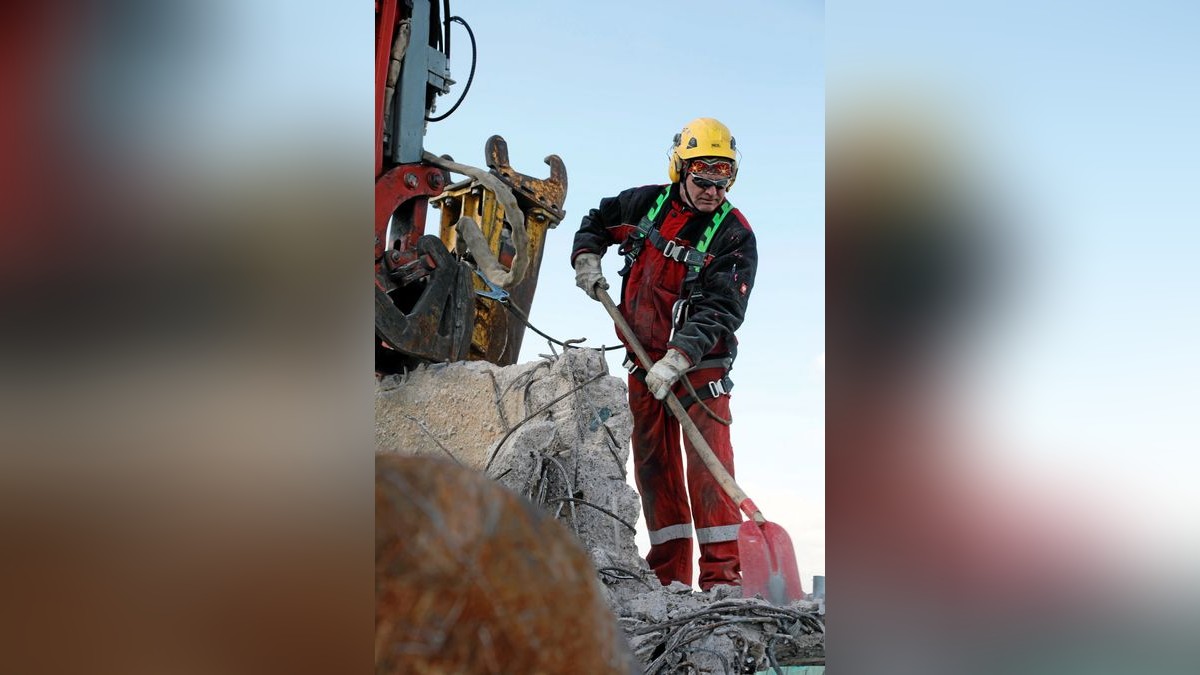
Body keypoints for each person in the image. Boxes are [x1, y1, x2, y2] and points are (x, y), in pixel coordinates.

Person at [571, 118, 757, 591]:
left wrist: (679, 358)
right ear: (680, 169)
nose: (713, 191)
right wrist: (586, 256)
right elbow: (596, 220)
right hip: (643, 363)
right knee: (655, 470)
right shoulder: (645, 204)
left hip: (699, 370)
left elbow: (722, 307)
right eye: (703, 181)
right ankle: (668, 579)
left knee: (710, 474)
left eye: (723, 182)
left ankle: (722, 583)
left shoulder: (734, 234)